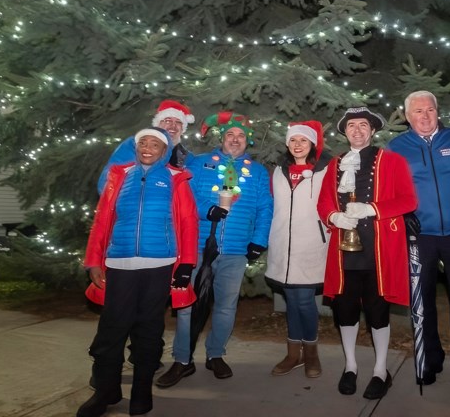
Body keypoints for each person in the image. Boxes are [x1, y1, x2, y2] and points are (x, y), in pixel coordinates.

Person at [77, 127, 198, 417]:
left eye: (154, 143)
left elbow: (189, 222)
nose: (147, 147)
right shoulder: (119, 176)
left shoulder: (175, 179)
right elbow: (101, 221)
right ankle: (106, 391)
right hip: (118, 264)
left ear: (164, 150)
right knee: (111, 331)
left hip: (159, 266)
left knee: (148, 330)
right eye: (142, 142)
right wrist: (93, 261)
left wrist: (186, 265)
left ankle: (142, 392)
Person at [156, 111, 273, 387]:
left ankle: (216, 354)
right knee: (186, 306)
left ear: (248, 141)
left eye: (241, 136)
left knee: (226, 306)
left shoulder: (257, 172)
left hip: (235, 250)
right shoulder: (199, 164)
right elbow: (182, 198)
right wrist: (204, 210)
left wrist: (259, 240)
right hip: (197, 248)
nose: (235, 140)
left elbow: (265, 208)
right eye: (230, 135)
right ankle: (182, 360)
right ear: (222, 138)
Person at [386, 90, 450, 393]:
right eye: (417, 111)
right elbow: (390, 192)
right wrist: (404, 216)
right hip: (420, 236)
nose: (425, 116)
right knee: (422, 302)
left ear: (437, 111)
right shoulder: (396, 148)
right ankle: (431, 358)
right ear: (407, 116)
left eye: (430, 110)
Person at [317, 106, 417, 400]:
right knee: (345, 309)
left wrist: (373, 209)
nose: (357, 130)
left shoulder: (393, 161)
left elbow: (408, 200)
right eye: (351, 126)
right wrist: (333, 217)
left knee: (377, 310)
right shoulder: (334, 165)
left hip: (379, 249)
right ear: (345, 132)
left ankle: (380, 370)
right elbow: (323, 202)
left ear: (372, 131)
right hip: (343, 251)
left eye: (363, 125)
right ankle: (350, 366)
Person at [265, 120, 329, 378]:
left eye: (303, 140)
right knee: (291, 301)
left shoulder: (324, 171)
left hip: (310, 246)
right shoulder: (278, 172)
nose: (298, 145)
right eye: (293, 140)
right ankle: (294, 354)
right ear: (287, 144)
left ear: (312, 144)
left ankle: (311, 354)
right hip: (283, 246)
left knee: (303, 300)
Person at [97, 100, 195, 193]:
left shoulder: (187, 157)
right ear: (158, 124)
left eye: (178, 122)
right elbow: (109, 180)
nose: (173, 126)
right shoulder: (135, 144)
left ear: (183, 128)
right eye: (167, 120)